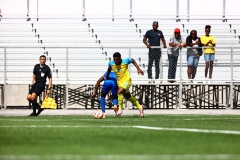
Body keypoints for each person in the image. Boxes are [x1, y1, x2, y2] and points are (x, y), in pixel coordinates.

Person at [107, 52, 144, 117]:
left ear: (120, 58)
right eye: (114, 60)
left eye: (117, 60)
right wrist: (107, 76)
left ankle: (120, 110)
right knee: (128, 96)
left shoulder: (125, 61)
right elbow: (109, 69)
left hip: (127, 81)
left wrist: (138, 68)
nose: (116, 61)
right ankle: (140, 107)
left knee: (119, 92)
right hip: (120, 82)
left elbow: (132, 60)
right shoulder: (111, 63)